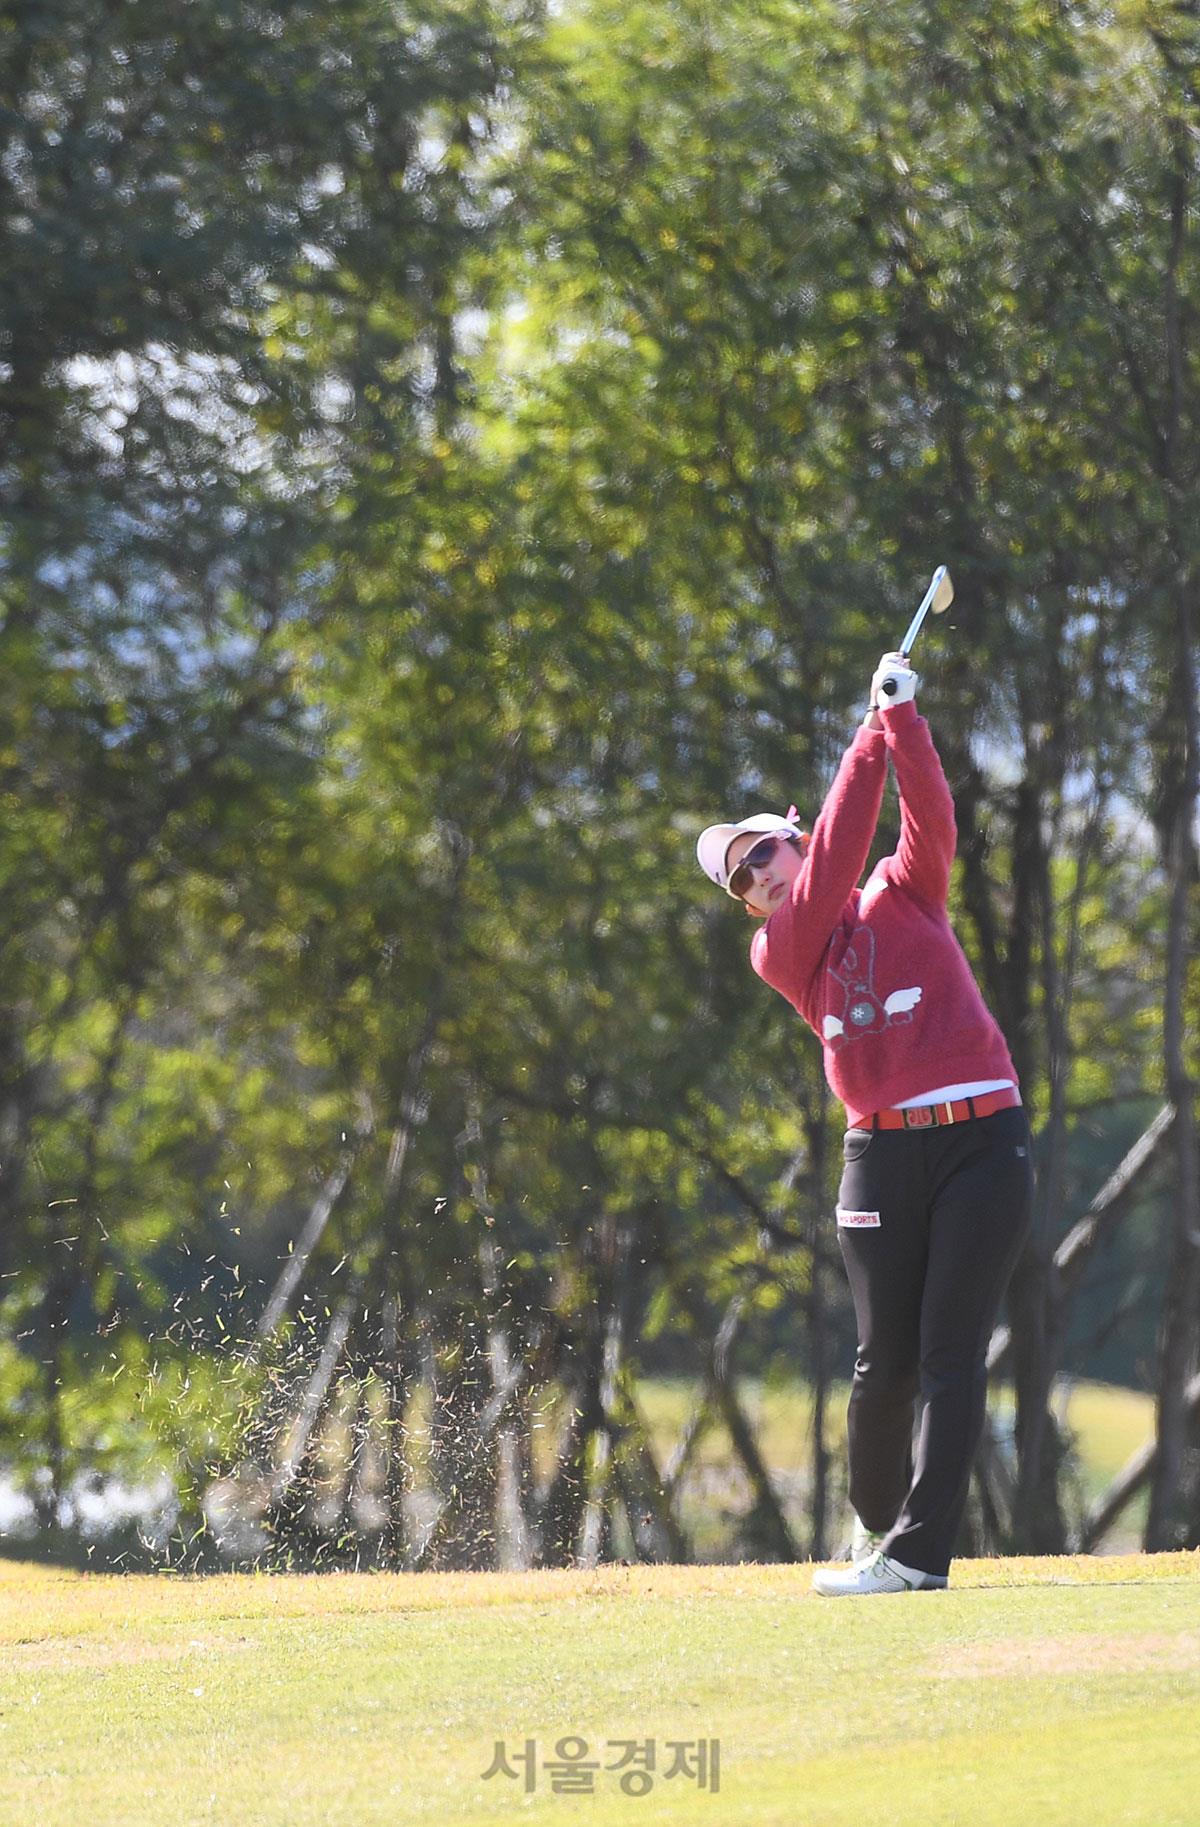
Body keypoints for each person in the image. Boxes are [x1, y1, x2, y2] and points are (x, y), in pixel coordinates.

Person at [695, 652, 1033, 1594]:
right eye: (738, 879)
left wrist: (904, 721)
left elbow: (930, 819)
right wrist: (868, 733)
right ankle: (874, 1526)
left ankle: (920, 1560)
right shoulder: (783, 950)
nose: (754, 878)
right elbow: (845, 843)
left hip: (983, 1142)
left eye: (760, 852)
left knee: (949, 1355)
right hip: (882, 1153)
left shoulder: (905, 892)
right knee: (882, 1363)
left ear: (790, 840)